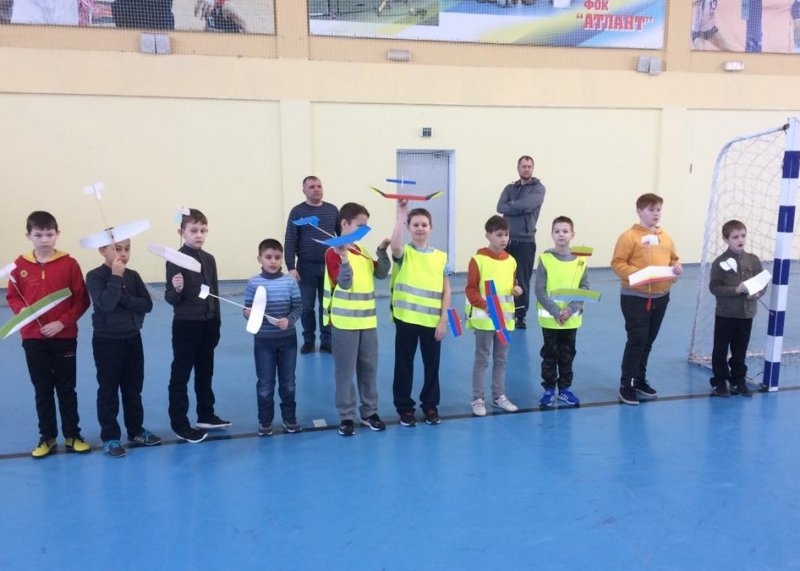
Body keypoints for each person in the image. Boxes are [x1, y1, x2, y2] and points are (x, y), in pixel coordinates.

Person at [6, 211, 91, 458]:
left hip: (64, 336)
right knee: (42, 388)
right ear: (28, 236)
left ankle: (73, 435)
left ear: (57, 234)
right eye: (38, 235)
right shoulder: (18, 266)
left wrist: (62, 323)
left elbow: (82, 300)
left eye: (49, 234)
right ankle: (47, 437)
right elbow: (12, 296)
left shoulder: (70, 264)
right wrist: (21, 310)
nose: (44, 239)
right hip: (33, 338)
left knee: (67, 387)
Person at [86, 237, 161, 458]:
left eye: (127, 249)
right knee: (108, 390)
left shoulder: (133, 276)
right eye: (117, 249)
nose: (123, 253)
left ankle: (136, 430)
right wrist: (116, 277)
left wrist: (124, 299)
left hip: (133, 338)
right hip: (107, 341)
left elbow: (146, 305)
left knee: (133, 389)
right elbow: (106, 303)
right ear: (102, 250)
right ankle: (110, 437)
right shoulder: (95, 276)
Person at [323, 203, 391, 436]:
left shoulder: (361, 250)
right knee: (345, 372)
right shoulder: (333, 252)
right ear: (345, 223)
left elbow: (380, 273)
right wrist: (343, 258)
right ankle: (346, 416)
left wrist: (381, 251)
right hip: (344, 323)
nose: (364, 230)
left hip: (367, 322)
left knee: (369, 369)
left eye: (366, 226)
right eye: (360, 226)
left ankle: (369, 412)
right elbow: (344, 283)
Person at [165, 207, 229, 443]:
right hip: (186, 325)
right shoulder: (175, 259)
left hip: (208, 324)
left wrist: (216, 323)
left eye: (203, 230)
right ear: (181, 232)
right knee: (181, 374)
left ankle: (206, 414)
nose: (199, 235)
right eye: (193, 230)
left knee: (205, 371)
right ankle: (179, 423)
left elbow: (214, 293)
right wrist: (177, 289)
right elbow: (170, 298)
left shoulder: (209, 259)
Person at [611, 193, 682, 405]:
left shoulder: (665, 237)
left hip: (661, 297)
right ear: (640, 211)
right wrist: (639, 274)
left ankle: (639, 379)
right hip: (636, 298)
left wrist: (676, 267)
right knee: (637, 339)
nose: (656, 214)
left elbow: (674, 259)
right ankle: (626, 384)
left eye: (658, 209)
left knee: (648, 341)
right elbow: (617, 263)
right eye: (651, 209)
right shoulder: (628, 237)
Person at [389, 200, 451, 427]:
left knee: (432, 365)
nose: (420, 228)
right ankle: (404, 407)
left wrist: (443, 319)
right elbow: (395, 245)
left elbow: (446, 290)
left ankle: (430, 405)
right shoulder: (404, 252)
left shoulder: (441, 257)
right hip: (406, 320)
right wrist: (400, 215)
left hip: (431, 321)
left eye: (424, 224)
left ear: (431, 228)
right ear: (409, 228)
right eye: (415, 224)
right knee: (404, 364)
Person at [244, 238, 303, 436]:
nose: (273, 261)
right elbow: (248, 310)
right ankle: (265, 421)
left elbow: (298, 307)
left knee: (288, 383)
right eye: (268, 257)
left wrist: (289, 320)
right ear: (259, 259)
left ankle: (289, 419)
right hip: (263, 342)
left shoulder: (290, 281)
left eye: (277, 257)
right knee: (265, 384)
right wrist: (248, 313)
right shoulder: (253, 283)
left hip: (288, 342)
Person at [465, 215, 521, 417]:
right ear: (488, 235)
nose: (504, 239)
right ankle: (477, 398)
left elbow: (511, 285)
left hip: (505, 321)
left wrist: (516, 289)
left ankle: (499, 396)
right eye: (499, 235)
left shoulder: (511, 261)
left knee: (501, 359)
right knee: (482, 359)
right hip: (485, 320)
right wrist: (484, 305)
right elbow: (471, 290)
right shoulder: (478, 260)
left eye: (506, 235)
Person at [534, 216, 590, 408]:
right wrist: (556, 311)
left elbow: (584, 288)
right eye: (557, 231)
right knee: (550, 354)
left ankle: (565, 389)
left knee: (567, 354)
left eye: (565, 231)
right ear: (552, 234)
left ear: (572, 234)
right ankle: (549, 389)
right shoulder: (545, 259)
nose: (561, 235)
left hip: (571, 320)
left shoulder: (581, 261)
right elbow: (540, 290)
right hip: (551, 320)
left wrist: (570, 310)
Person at [708, 220, 766, 397]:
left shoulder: (753, 260)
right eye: (735, 237)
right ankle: (720, 380)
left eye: (742, 236)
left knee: (740, 350)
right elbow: (714, 288)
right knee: (720, 349)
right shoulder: (719, 262)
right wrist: (736, 290)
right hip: (726, 314)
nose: (740, 239)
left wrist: (757, 293)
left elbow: (762, 283)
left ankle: (738, 379)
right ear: (726, 240)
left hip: (746, 314)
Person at [284, 175, 339, 355]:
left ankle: (327, 341)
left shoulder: (332, 210)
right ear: (304, 191)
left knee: (327, 305)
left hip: (329, 267)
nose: (316, 189)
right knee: (306, 306)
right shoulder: (297, 212)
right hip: (305, 268)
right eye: (312, 187)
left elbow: (342, 237)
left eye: (319, 186)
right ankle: (308, 341)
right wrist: (291, 266)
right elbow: (290, 239)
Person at [496, 154, 546, 330]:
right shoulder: (510, 188)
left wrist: (512, 206)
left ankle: (520, 316)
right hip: (506, 241)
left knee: (522, 280)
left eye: (529, 166)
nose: (526, 169)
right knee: (504, 277)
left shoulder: (538, 189)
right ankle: (503, 311)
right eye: (523, 166)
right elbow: (500, 207)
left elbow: (528, 205)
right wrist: (520, 206)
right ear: (518, 168)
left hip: (525, 241)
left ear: (533, 169)